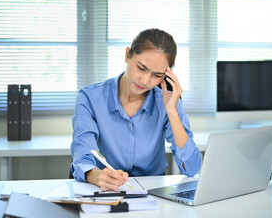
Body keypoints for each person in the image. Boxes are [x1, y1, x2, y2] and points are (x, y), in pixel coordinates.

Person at [71, 28, 201, 191]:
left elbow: (191, 168)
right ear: (127, 55)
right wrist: (97, 176)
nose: (145, 81)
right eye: (141, 68)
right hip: (103, 189)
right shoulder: (90, 97)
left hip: (152, 192)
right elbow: (82, 157)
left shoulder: (168, 100)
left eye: (157, 75)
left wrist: (172, 112)